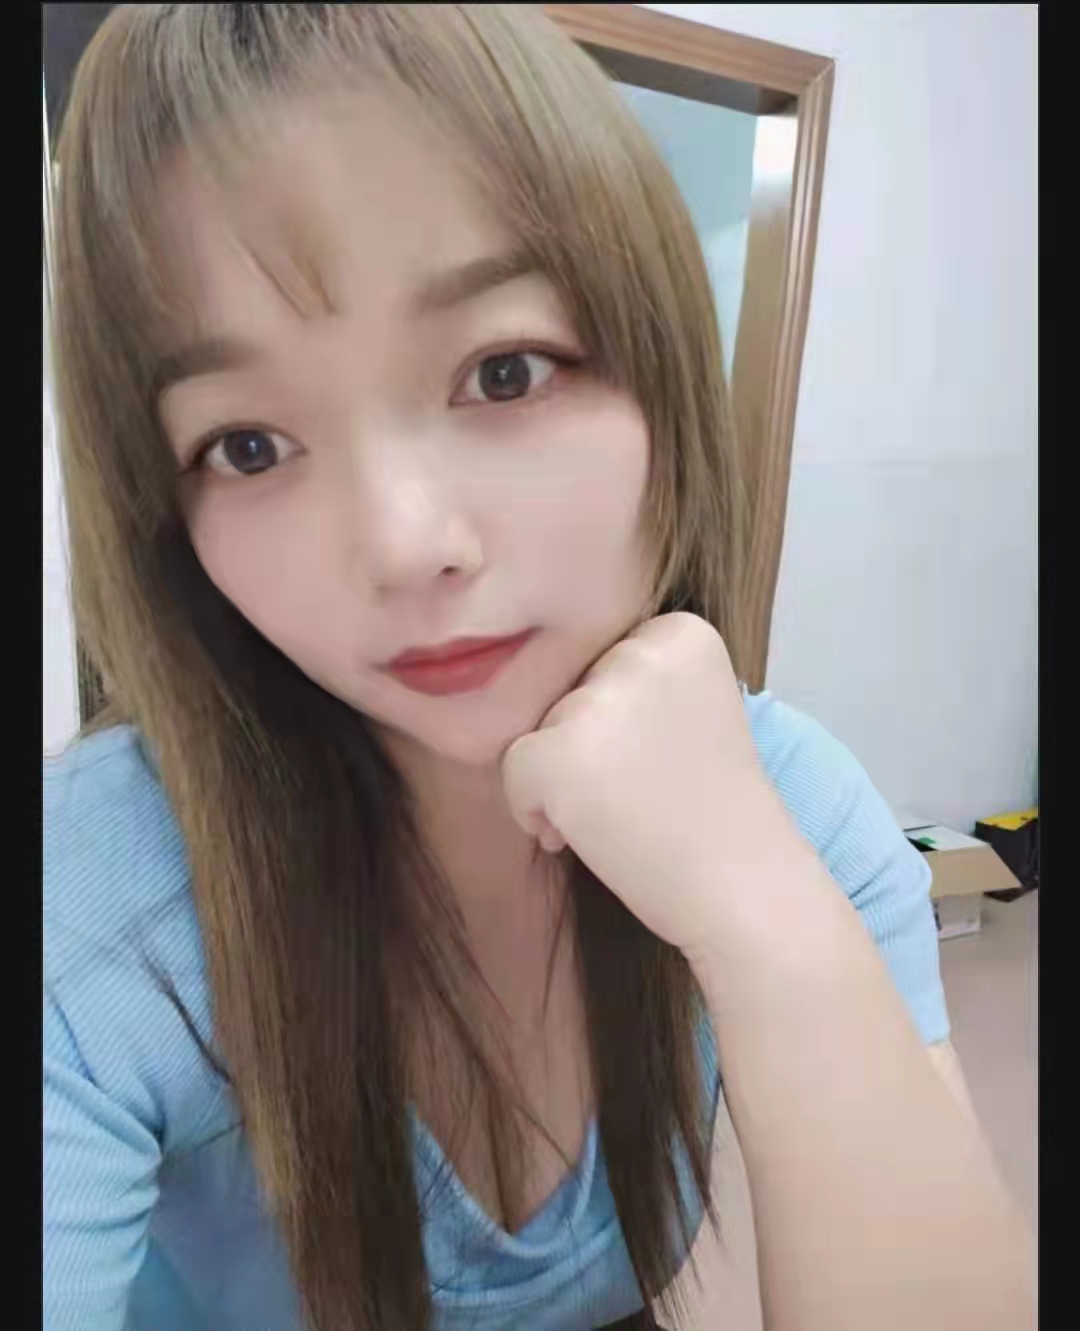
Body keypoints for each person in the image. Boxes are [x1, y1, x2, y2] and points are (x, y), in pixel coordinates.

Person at [42, 6, 1032, 1331]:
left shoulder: (790, 804)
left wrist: (767, 918)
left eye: (504, 373)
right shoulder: (91, 910)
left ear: (659, 376)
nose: (405, 545)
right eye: (250, 447)